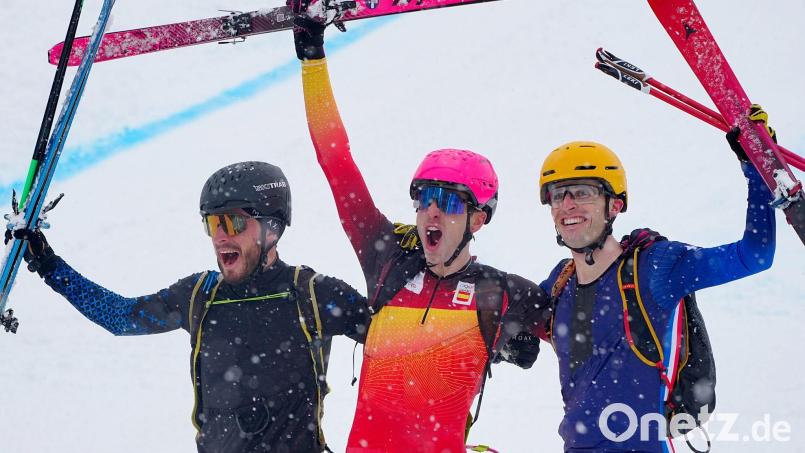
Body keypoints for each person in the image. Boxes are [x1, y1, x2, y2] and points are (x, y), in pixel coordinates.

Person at [292, 13, 550, 453]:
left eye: (449, 202)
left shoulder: (500, 292)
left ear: (479, 219)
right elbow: (336, 164)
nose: (432, 211)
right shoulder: (389, 259)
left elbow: (596, 329)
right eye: (424, 198)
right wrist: (313, 58)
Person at [9, 161, 369, 453]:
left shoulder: (313, 295)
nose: (220, 236)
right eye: (213, 223)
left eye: (233, 221)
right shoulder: (199, 295)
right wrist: (48, 265)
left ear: (271, 229)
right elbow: (120, 317)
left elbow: (394, 334)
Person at [534, 126, 776, 452]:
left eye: (582, 192)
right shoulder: (559, 283)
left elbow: (755, 254)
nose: (567, 205)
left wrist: (757, 170)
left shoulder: (655, 267)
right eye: (556, 195)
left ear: (615, 205)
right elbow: (503, 318)